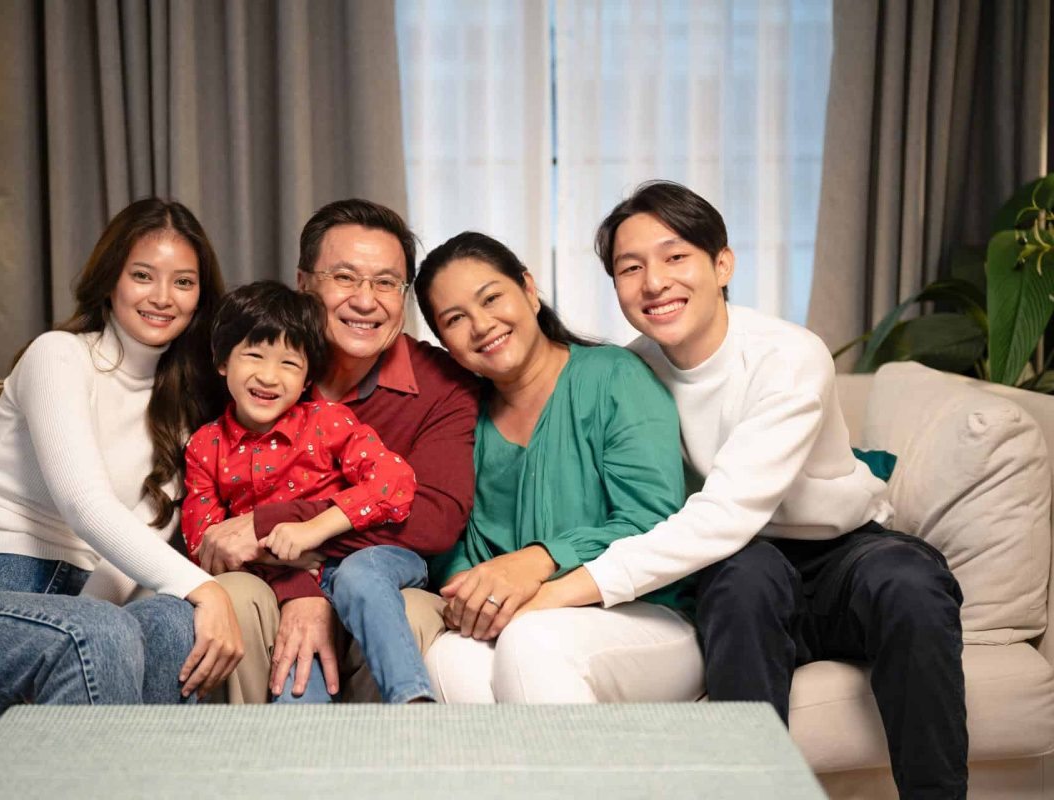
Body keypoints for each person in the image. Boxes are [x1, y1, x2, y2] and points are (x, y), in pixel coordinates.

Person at [523, 180, 967, 798]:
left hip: (844, 551)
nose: (654, 282)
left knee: (909, 582)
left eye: (675, 256)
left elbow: (727, 511)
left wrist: (560, 591)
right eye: (630, 268)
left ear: (722, 264)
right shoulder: (631, 369)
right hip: (739, 562)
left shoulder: (788, 355)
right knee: (743, 579)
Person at [0, 198, 245, 727]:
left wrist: (94, 660)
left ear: (200, 298)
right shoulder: (59, 356)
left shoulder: (184, 416)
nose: (162, 297)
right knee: (104, 629)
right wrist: (203, 586)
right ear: (111, 279)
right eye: (142, 275)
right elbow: (83, 503)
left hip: (68, 612)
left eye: (183, 282)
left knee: (173, 620)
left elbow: (119, 566)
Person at [193, 199, 479, 703]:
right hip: (270, 579)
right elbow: (214, 538)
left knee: (407, 609)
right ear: (304, 283)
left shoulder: (442, 385)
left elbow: (433, 520)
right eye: (344, 277)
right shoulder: (258, 371)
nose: (366, 301)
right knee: (232, 596)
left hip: (381, 580)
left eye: (386, 283)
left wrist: (277, 524)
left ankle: (405, 728)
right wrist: (299, 588)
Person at [414, 231, 703, 703]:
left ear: (529, 290)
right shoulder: (462, 417)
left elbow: (654, 521)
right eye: (455, 319)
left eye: (491, 298)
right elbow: (451, 541)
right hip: (517, 620)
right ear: (444, 342)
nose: (482, 325)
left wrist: (538, 560)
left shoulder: (614, 376)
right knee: (449, 660)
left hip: (647, 614)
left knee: (534, 642)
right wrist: (475, 597)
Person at [182, 280, 434, 703]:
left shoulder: (327, 421)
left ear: (305, 380)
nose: (268, 376)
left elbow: (393, 482)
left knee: (360, 577)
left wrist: (312, 530)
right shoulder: (206, 446)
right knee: (296, 676)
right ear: (223, 361)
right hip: (290, 579)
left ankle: (414, 702)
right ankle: (307, 735)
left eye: (288, 363)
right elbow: (205, 545)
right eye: (254, 355)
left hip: (370, 558)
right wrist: (276, 556)